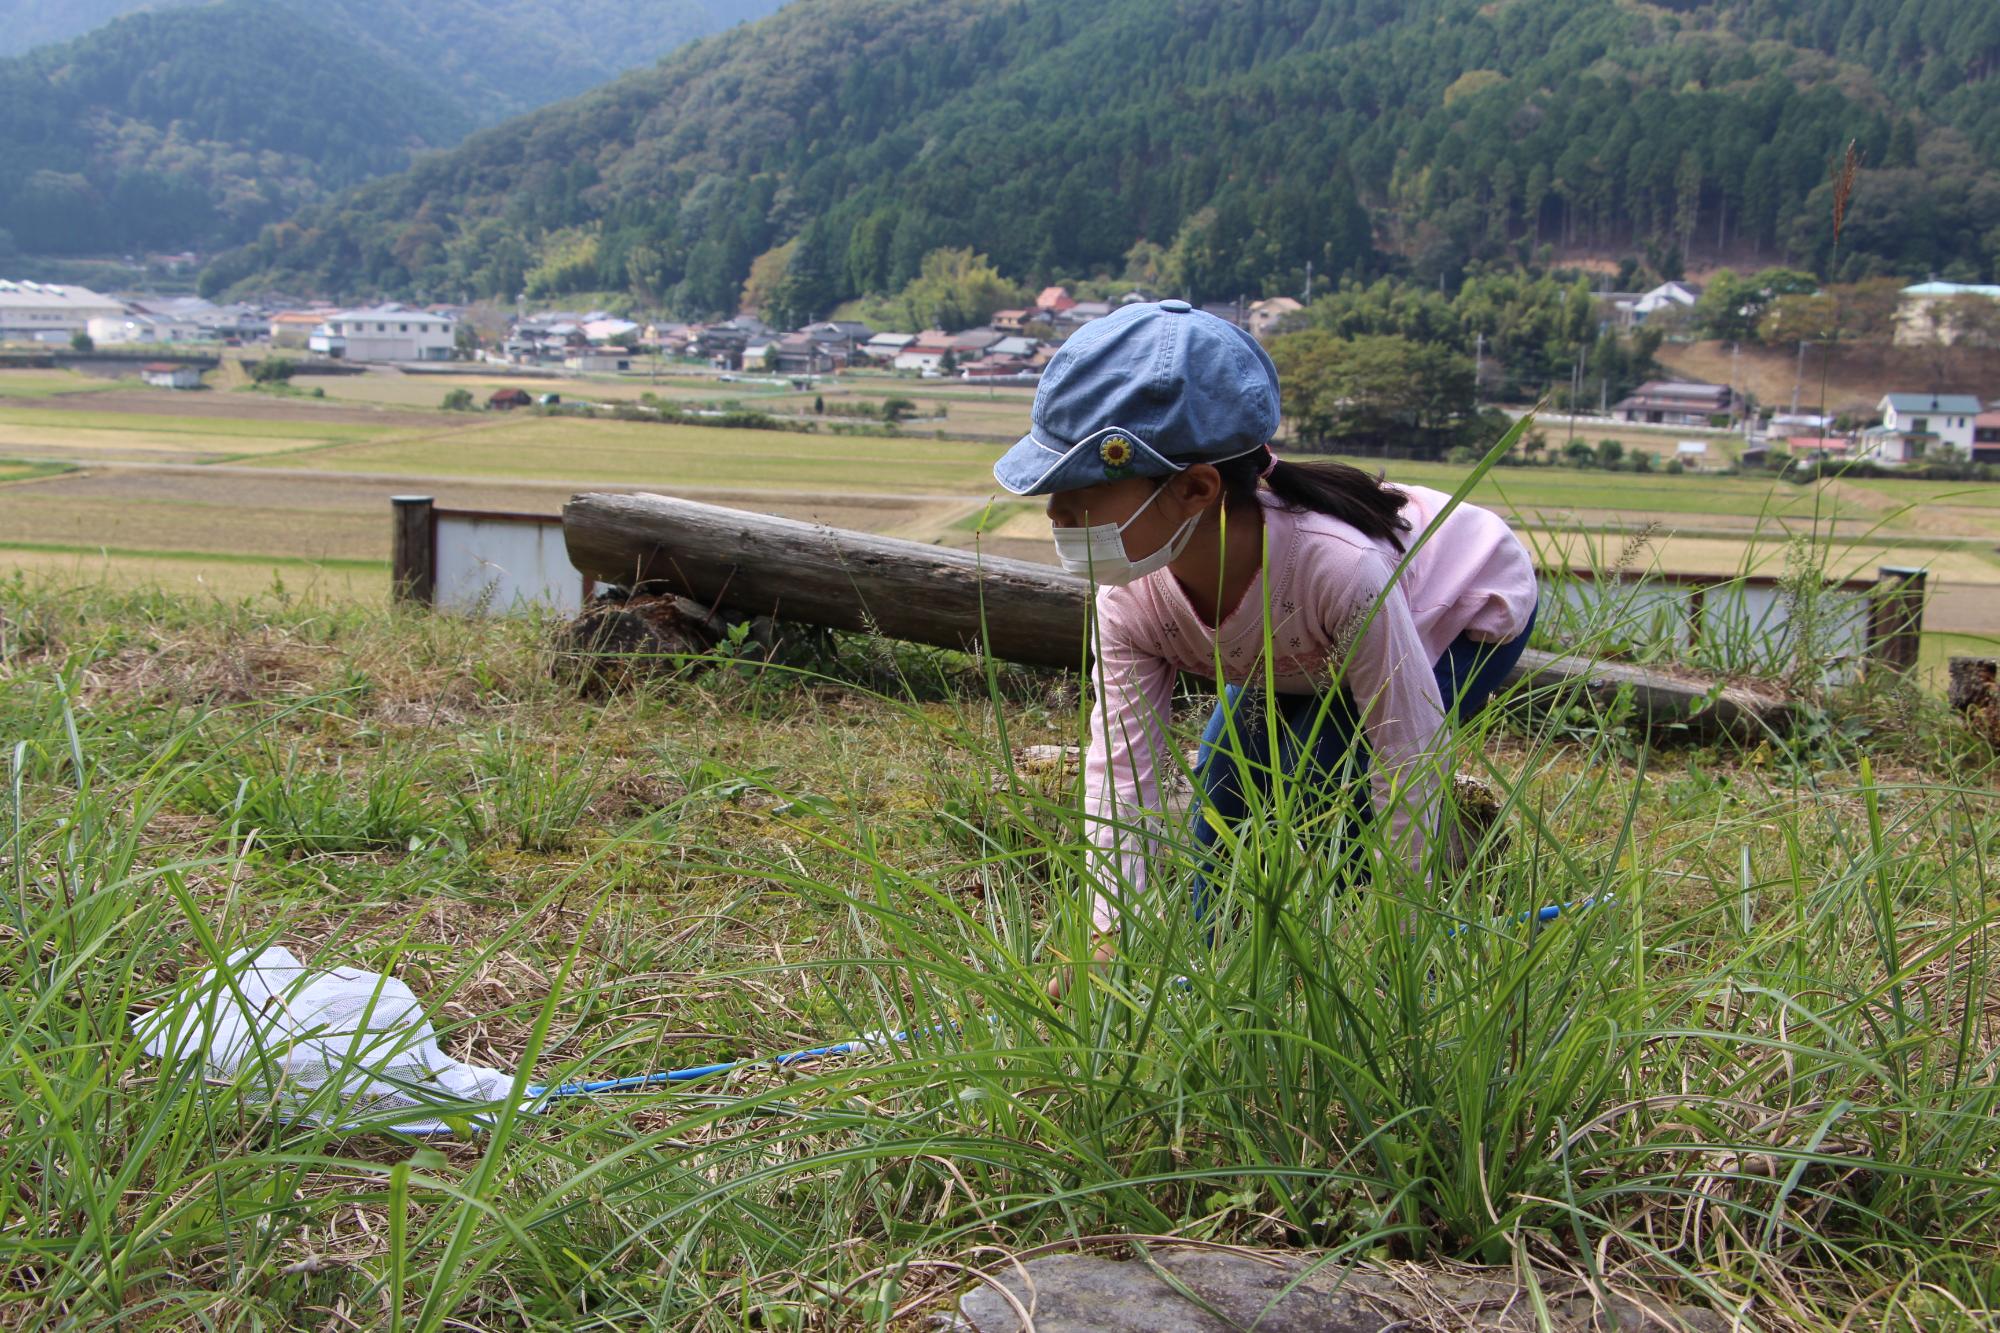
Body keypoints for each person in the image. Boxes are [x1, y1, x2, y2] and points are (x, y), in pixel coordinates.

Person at [989, 300, 1540, 998]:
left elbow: (1409, 754)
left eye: (1081, 489)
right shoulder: (1127, 595)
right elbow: (1124, 774)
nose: (1054, 513)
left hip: (1458, 605)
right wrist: (1106, 936)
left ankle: (1356, 973)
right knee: (1225, 782)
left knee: (1329, 778)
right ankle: (1221, 977)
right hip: (1294, 646)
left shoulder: (1336, 569)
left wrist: (1397, 945)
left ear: (1195, 489)